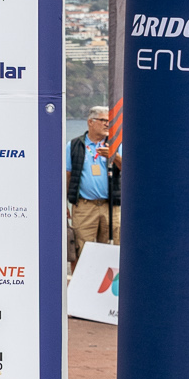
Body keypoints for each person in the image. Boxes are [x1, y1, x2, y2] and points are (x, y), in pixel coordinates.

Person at [69, 105, 121, 266]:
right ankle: (81, 282)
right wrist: (62, 204)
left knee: (113, 249)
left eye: (109, 121)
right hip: (84, 206)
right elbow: (67, 176)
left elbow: (130, 170)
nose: (107, 124)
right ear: (90, 122)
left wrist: (113, 155)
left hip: (111, 206)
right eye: (103, 120)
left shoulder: (115, 145)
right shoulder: (74, 145)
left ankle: (111, 283)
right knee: (81, 249)